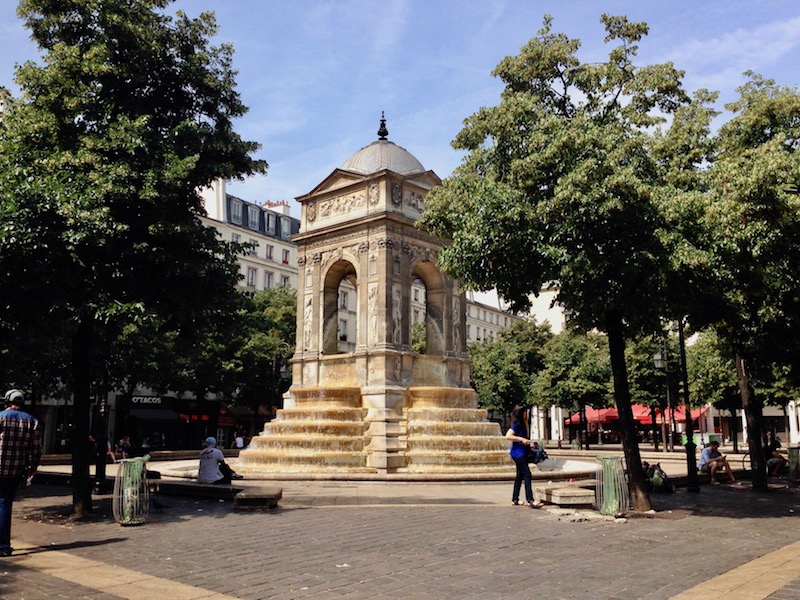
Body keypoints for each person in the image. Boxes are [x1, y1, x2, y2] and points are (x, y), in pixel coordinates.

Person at [0, 389, 42, 557]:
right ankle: (3, 545)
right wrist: (32, 468)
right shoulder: (32, 421)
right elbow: (36, 449)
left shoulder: (1, 417)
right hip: (15, 469)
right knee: (5, 503)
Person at [505, 405, 537, 507]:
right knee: (527, 474)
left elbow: (524, 439)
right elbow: (508, 436)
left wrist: (530, 442)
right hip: (518, 453)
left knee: (519, 476)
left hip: (521, 452)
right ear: (521, 413)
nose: (526, 414)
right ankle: (530, 499)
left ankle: (515, 499)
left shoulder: (524, 424)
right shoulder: (517, 424)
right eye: (525, 412)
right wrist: (521, 439)